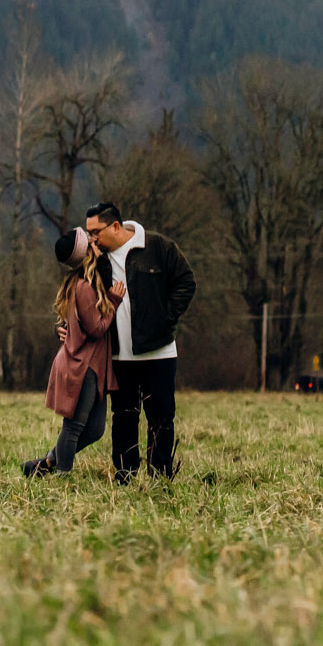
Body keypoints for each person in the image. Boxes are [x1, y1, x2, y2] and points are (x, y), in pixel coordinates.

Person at [85, 202, 196, 481]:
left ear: (115, 226)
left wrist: (165, 319)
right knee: (123, 417)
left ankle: (161, 478)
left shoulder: (158, 247)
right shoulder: (96, 260)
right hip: (118, 357)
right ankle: (125, 476)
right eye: (88, 234)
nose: (92, 239)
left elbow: (186, 282)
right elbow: (78, 298)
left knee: (161, 418)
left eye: (96, 232)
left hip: (159, 353)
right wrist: (63, 327)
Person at [22, 228, 124, 477]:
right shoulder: (84, 289)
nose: (95, 242)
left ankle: (47, 463)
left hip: (94, 365)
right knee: (74, 426)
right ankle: (62, 476)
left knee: (96, 429)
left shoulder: (86, 282)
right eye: (90, 242)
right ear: (86, 254)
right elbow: (97, 328)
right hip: (82, 366)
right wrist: (113, 301)